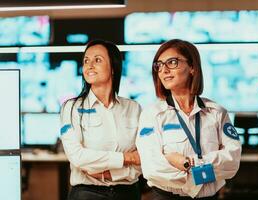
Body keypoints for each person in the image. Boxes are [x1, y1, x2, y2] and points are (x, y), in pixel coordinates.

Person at [136, 39, 242, 200]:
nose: (164, 70)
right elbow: (152, 168)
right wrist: (207, 168)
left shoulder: (217, 113)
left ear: (192, 67)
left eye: (172, 62)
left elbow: (231, 162)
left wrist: (187, 163)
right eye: (159, 65)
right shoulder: (152, 115)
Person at [60, 39, 141, 200]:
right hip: (87, 194)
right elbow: (78, 157)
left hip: (128, 194)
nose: (89, 65)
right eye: (86, 61)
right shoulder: (71, 108)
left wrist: (108, 173)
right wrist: (126, 158)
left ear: (113, 67)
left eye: (97, 60)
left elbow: (143, 158)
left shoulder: (133, 108)